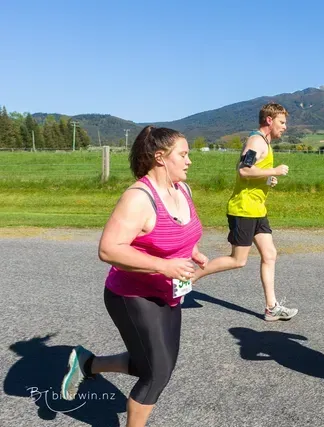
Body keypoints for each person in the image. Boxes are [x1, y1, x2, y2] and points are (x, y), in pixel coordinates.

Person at [61, 126, 207, 427]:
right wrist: (164, 266)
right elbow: (109, 249)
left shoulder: (183, 190)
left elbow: (180, 232)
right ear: (160, 158)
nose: (189, 160)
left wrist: (192, 251)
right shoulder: (139, 197)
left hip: (169, 291)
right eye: (183, 154)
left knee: (149, 365)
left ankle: (87, 364)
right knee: (157, 373)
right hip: (131, 295)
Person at [194, 103, 297, 321]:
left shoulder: (265, 143)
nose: (285, 127)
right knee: (238, 260)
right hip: (243, 209)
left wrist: (267, 179)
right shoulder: (256, 141)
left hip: (257, 209)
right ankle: (191, 278)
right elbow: (243, 170)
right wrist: (274, 170)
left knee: (270, 254)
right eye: (282, 122)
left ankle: (271, 308)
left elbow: (253, 172)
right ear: (269, 120)